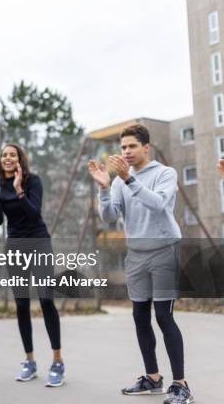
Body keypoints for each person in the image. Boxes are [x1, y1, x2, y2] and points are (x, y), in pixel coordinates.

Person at [88, 124, 194, 404]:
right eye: (123, 147)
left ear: (146, 147)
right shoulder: (121, 181)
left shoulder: (165, 174)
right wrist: (104, 189)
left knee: (163, 315)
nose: (127, 152)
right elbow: (109, 217)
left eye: (132, 146)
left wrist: (128, 179)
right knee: (139, 317)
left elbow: (159, 204)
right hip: (136, 253)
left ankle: (181, 385)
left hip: (164, 249)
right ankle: (153, 378)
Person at [0, 143, 64, 387]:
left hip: (39, 242)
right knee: (22, 304)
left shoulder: (33, 181)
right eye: (4, 155)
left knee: (46, 300)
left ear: (20, 159)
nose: (8, 158)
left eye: (12, 154)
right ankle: (30, 361)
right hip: (15, 246)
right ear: (0, 160)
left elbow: (34, 214)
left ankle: (57, 361)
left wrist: (18, 189)